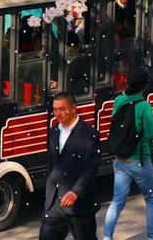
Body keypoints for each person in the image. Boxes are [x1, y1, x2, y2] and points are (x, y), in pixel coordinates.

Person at [103, 67, 153, 240]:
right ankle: (152, 238)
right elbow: (150, 134)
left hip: (120, 160)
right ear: (144, 86)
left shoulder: (119, 101)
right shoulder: (144, 106)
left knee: (117, 202)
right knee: (152, 200)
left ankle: (107, 237)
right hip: (140, 160)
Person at [39, 92, 100, 240]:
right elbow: (53, 165)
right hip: (54, 203)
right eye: (55, 109)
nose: (58, 113)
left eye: (62, 109)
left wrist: (76, 191)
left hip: (79, 204)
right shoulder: (53, 131)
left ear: (73, 109)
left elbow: (91, 168)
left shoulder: (89, 134)